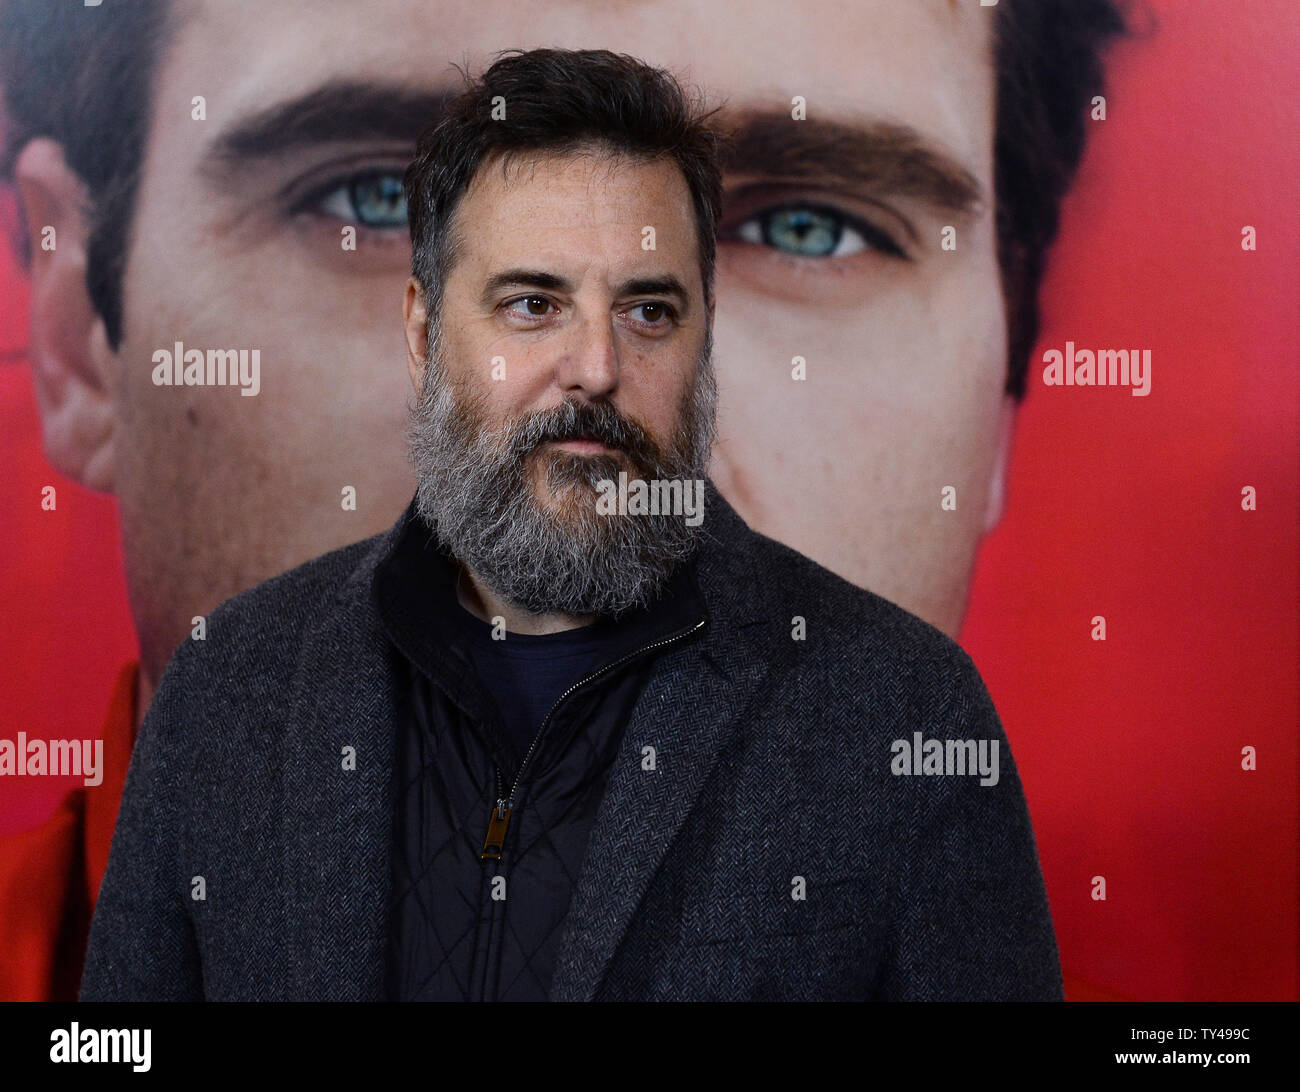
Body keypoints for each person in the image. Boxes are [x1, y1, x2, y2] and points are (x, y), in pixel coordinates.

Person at [0, 0, 1126, 999]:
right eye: (376, 198)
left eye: (806, 228)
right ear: (77, 337)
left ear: (1004, 386)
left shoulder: (911, 716)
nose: (592, 373)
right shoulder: (230, 684)